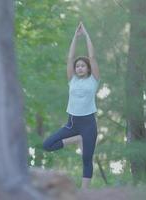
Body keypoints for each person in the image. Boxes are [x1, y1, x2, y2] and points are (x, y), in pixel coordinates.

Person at [42, 22, 100, 189]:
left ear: (88, 69)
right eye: (77, 66)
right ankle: (75, 139)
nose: (79, 68)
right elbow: (69, 57)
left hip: (89, 124)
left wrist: (87, 35)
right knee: (47, 145)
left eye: (82, 65)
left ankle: (84, 193)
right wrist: (75, 36)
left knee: (87, 159)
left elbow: (93, 57)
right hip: (72, 124)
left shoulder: (93, 80)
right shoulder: (72, 80)